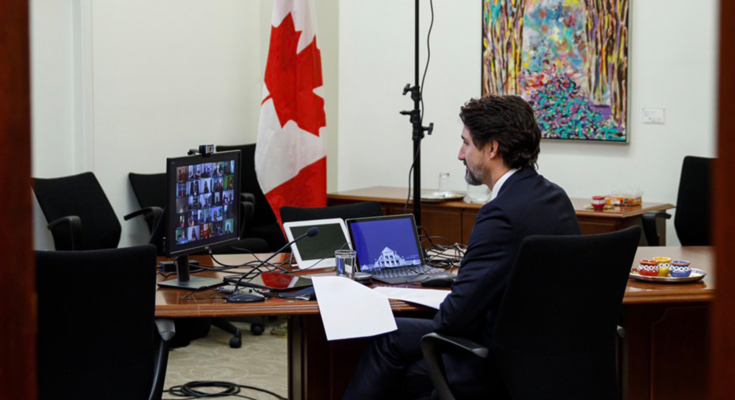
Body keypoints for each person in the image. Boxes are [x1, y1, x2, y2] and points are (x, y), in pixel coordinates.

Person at [342, 95, 581, 400]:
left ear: (492, 148)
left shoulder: (500, 213)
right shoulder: (554, 197)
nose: (459, 154)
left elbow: (454, 319)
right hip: (550, 360)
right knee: (409, 364)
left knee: (388, 338)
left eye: (466, 143)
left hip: (496, 363)